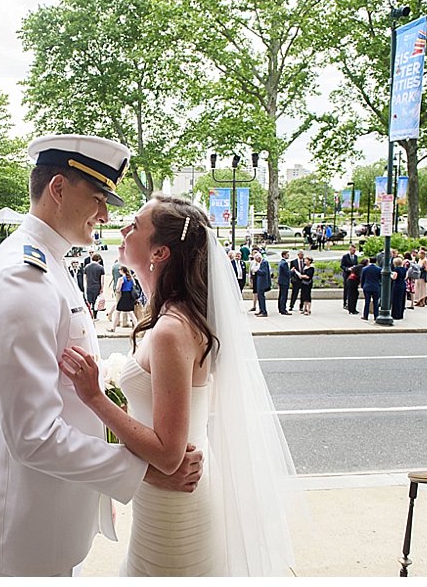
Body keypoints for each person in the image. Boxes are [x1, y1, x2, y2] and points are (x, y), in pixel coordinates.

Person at [0, 136, 203, 577]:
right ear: (58, 189)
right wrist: (142, 472)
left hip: (47, 515)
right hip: (29, 526)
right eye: (97, 198)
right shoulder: (25, 278)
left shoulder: (46, 264)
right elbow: (33, 435)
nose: (106, 215)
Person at [61, 194, 297, 575]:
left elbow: (170, 455)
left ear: (160, 253)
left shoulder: (172, 330)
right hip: (163, 500)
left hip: (174, 510)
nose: (123, 228)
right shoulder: (176, 317)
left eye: (136, 225)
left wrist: (94, 398)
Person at [108, 265, 138, 332]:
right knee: (130, 312)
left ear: (122, 271)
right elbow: (134, 285)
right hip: (130, 295)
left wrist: (117, 290)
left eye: (119, 270)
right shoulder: (131, 278)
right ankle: (136, 326)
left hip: (124, 295)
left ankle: (113, 327)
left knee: (118, 311)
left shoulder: (121, 279)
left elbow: (118, 288)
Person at [84, 252, 106, 319]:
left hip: (89, 286)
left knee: (89, 301)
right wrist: (102, 288)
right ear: (99, 260)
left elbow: (85, 277)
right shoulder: (101, 267)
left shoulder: (87, 267)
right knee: (96, 302)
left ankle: (89, 315)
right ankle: (95, 316)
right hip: (97, 286)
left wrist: (87, 283)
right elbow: (102, 279)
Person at [360, 256, 382, 321]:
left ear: (369, 261)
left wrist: (362, 286)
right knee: (375, 302)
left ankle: (365, 316)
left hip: (367, 287)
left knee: (367, 301)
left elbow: (362, 278)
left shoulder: (365, 269)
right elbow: (380, 279)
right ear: (376, 261)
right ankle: (376, 316)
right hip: (376, 287)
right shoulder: (379, 269)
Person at [251, 251, 270, 316]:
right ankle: (261, 310)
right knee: (259, 297)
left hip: (262, 283)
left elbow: (264, 272)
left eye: (256, 260)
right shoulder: (262, 262)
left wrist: (256, 270)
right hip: (260, 282)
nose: (257, 261)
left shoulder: (264, 262)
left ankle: (263, 311)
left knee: (261, 297)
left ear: (259, 258)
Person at [340, 244, 359, 311]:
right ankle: (345, 303)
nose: (354, 251)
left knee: (352, 290)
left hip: (353, 275)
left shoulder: (356, 257)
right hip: (347, 274)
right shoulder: (345, 256)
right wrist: (347, 269)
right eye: (353, 250)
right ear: (350, 250)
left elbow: (356, 264)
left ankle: (350, 303)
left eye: (355, 250)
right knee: (346, 289)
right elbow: (342, 265)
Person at [277, 250, 292, 315]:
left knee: (281, 295)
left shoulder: (281, 262)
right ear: (284, 255)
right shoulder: (284, 263)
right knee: (284, 296)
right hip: (284, 281)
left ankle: (280, 308)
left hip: (281, 281)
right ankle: (283, 309)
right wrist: (292, 271)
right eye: (287, 255)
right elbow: (288, 273)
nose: (288, 256)